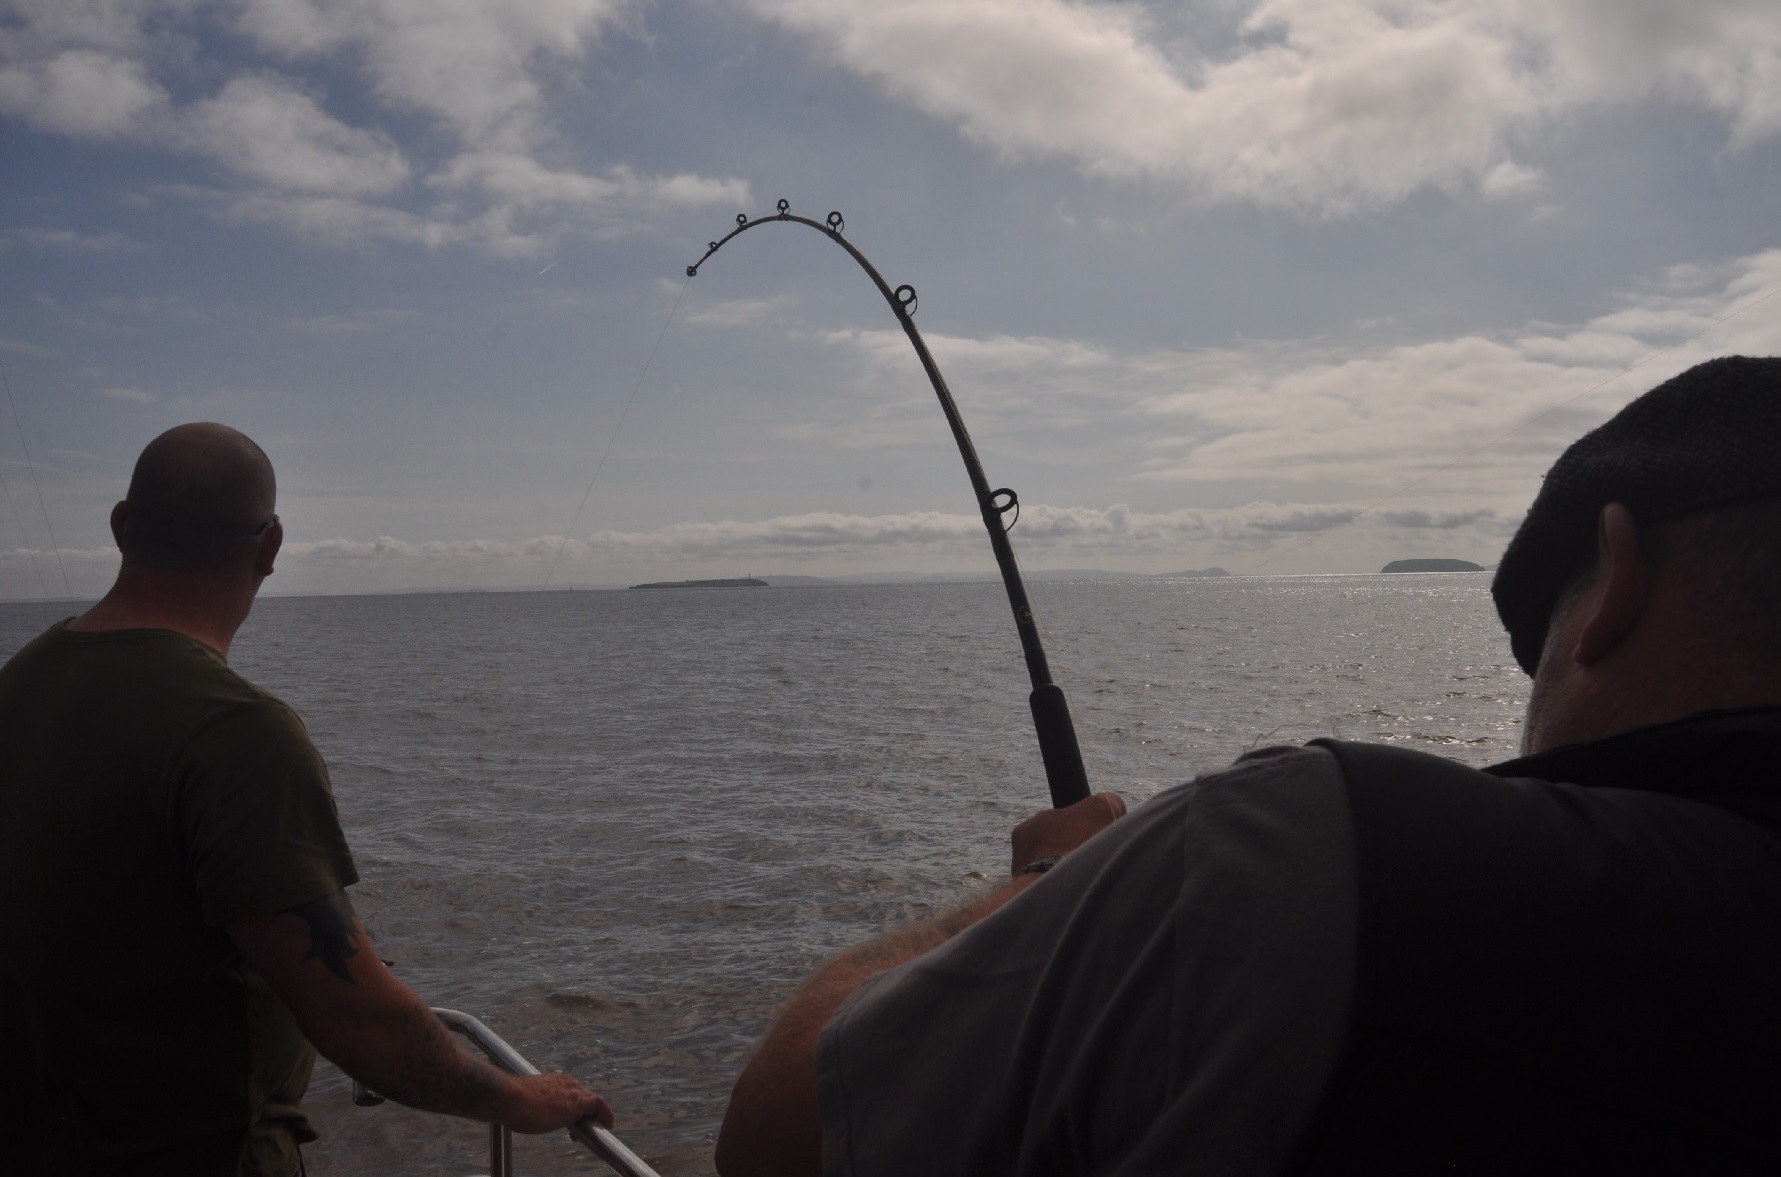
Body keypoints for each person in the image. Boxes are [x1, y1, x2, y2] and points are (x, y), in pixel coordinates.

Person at [714, 355, 1781, 1176]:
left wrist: (1039, 880)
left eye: (1537, 640)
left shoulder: (1286, 852)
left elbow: (779, 1134)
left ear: (1614, 580)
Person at [0, 423, 611, 1176]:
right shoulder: (233, 729)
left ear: (122, 526)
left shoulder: (17, 684)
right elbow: (356, 1018)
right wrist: (516, 1098)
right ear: (271, 546)